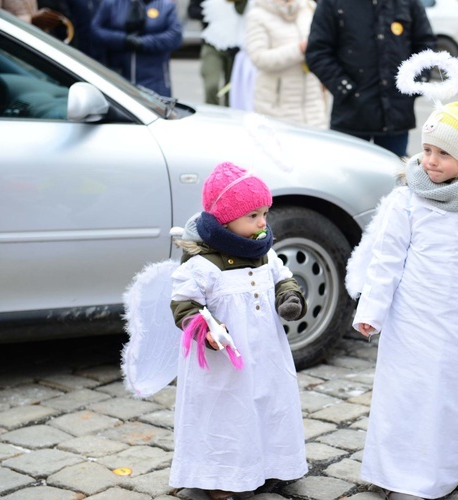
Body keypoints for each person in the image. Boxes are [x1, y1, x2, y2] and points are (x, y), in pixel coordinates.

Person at [346, 101, 458, 500]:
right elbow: (387, 259)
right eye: (427, 150)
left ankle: (447, 466)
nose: (431, 161)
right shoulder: (408, 201)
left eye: (444, 153)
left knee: (455, 399)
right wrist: (372, 310)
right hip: (412, 321)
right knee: (406, 395)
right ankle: (398, 474)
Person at [168, 162, 308, 500]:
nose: (263, 223)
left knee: (268, 404)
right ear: (225, 221)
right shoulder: (203, 266)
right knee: (226, 416)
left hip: (267, 355)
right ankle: (219, 478)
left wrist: (288, 296)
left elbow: (283, 277)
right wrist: (205, 331)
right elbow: (183, 304)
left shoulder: (265, 254)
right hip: (224, 366)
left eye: (265, 214)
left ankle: (270, 465)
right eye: (253, 216)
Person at [305, 0, 436, 156]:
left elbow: (426, 44)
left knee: (395, 176)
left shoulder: (407, 3)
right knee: (350, 176)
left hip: (396, 116)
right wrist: (345, 89)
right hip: (351, 117)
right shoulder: (333, 3)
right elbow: (317, 52)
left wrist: (414, 84)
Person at [245, 0, 327, 127]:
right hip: (277, 107)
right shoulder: (258, 14)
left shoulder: (309, 7)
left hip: (313, 106)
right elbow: (258, 58)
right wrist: (299, 49)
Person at [91, 0, 182, 97]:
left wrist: (143, 42)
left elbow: (175, 36)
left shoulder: (165, 5)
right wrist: (122, 39)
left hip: (154, 79)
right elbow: (96, 29)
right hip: (118, 76)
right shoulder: (112, 3)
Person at [188, 0, 247, 106]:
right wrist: (214, 13)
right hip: (212, 43)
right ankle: (213, 114)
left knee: (232, 88)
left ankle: (231, 117)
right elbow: (192, 11)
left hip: (238, 46)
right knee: (211, 84)